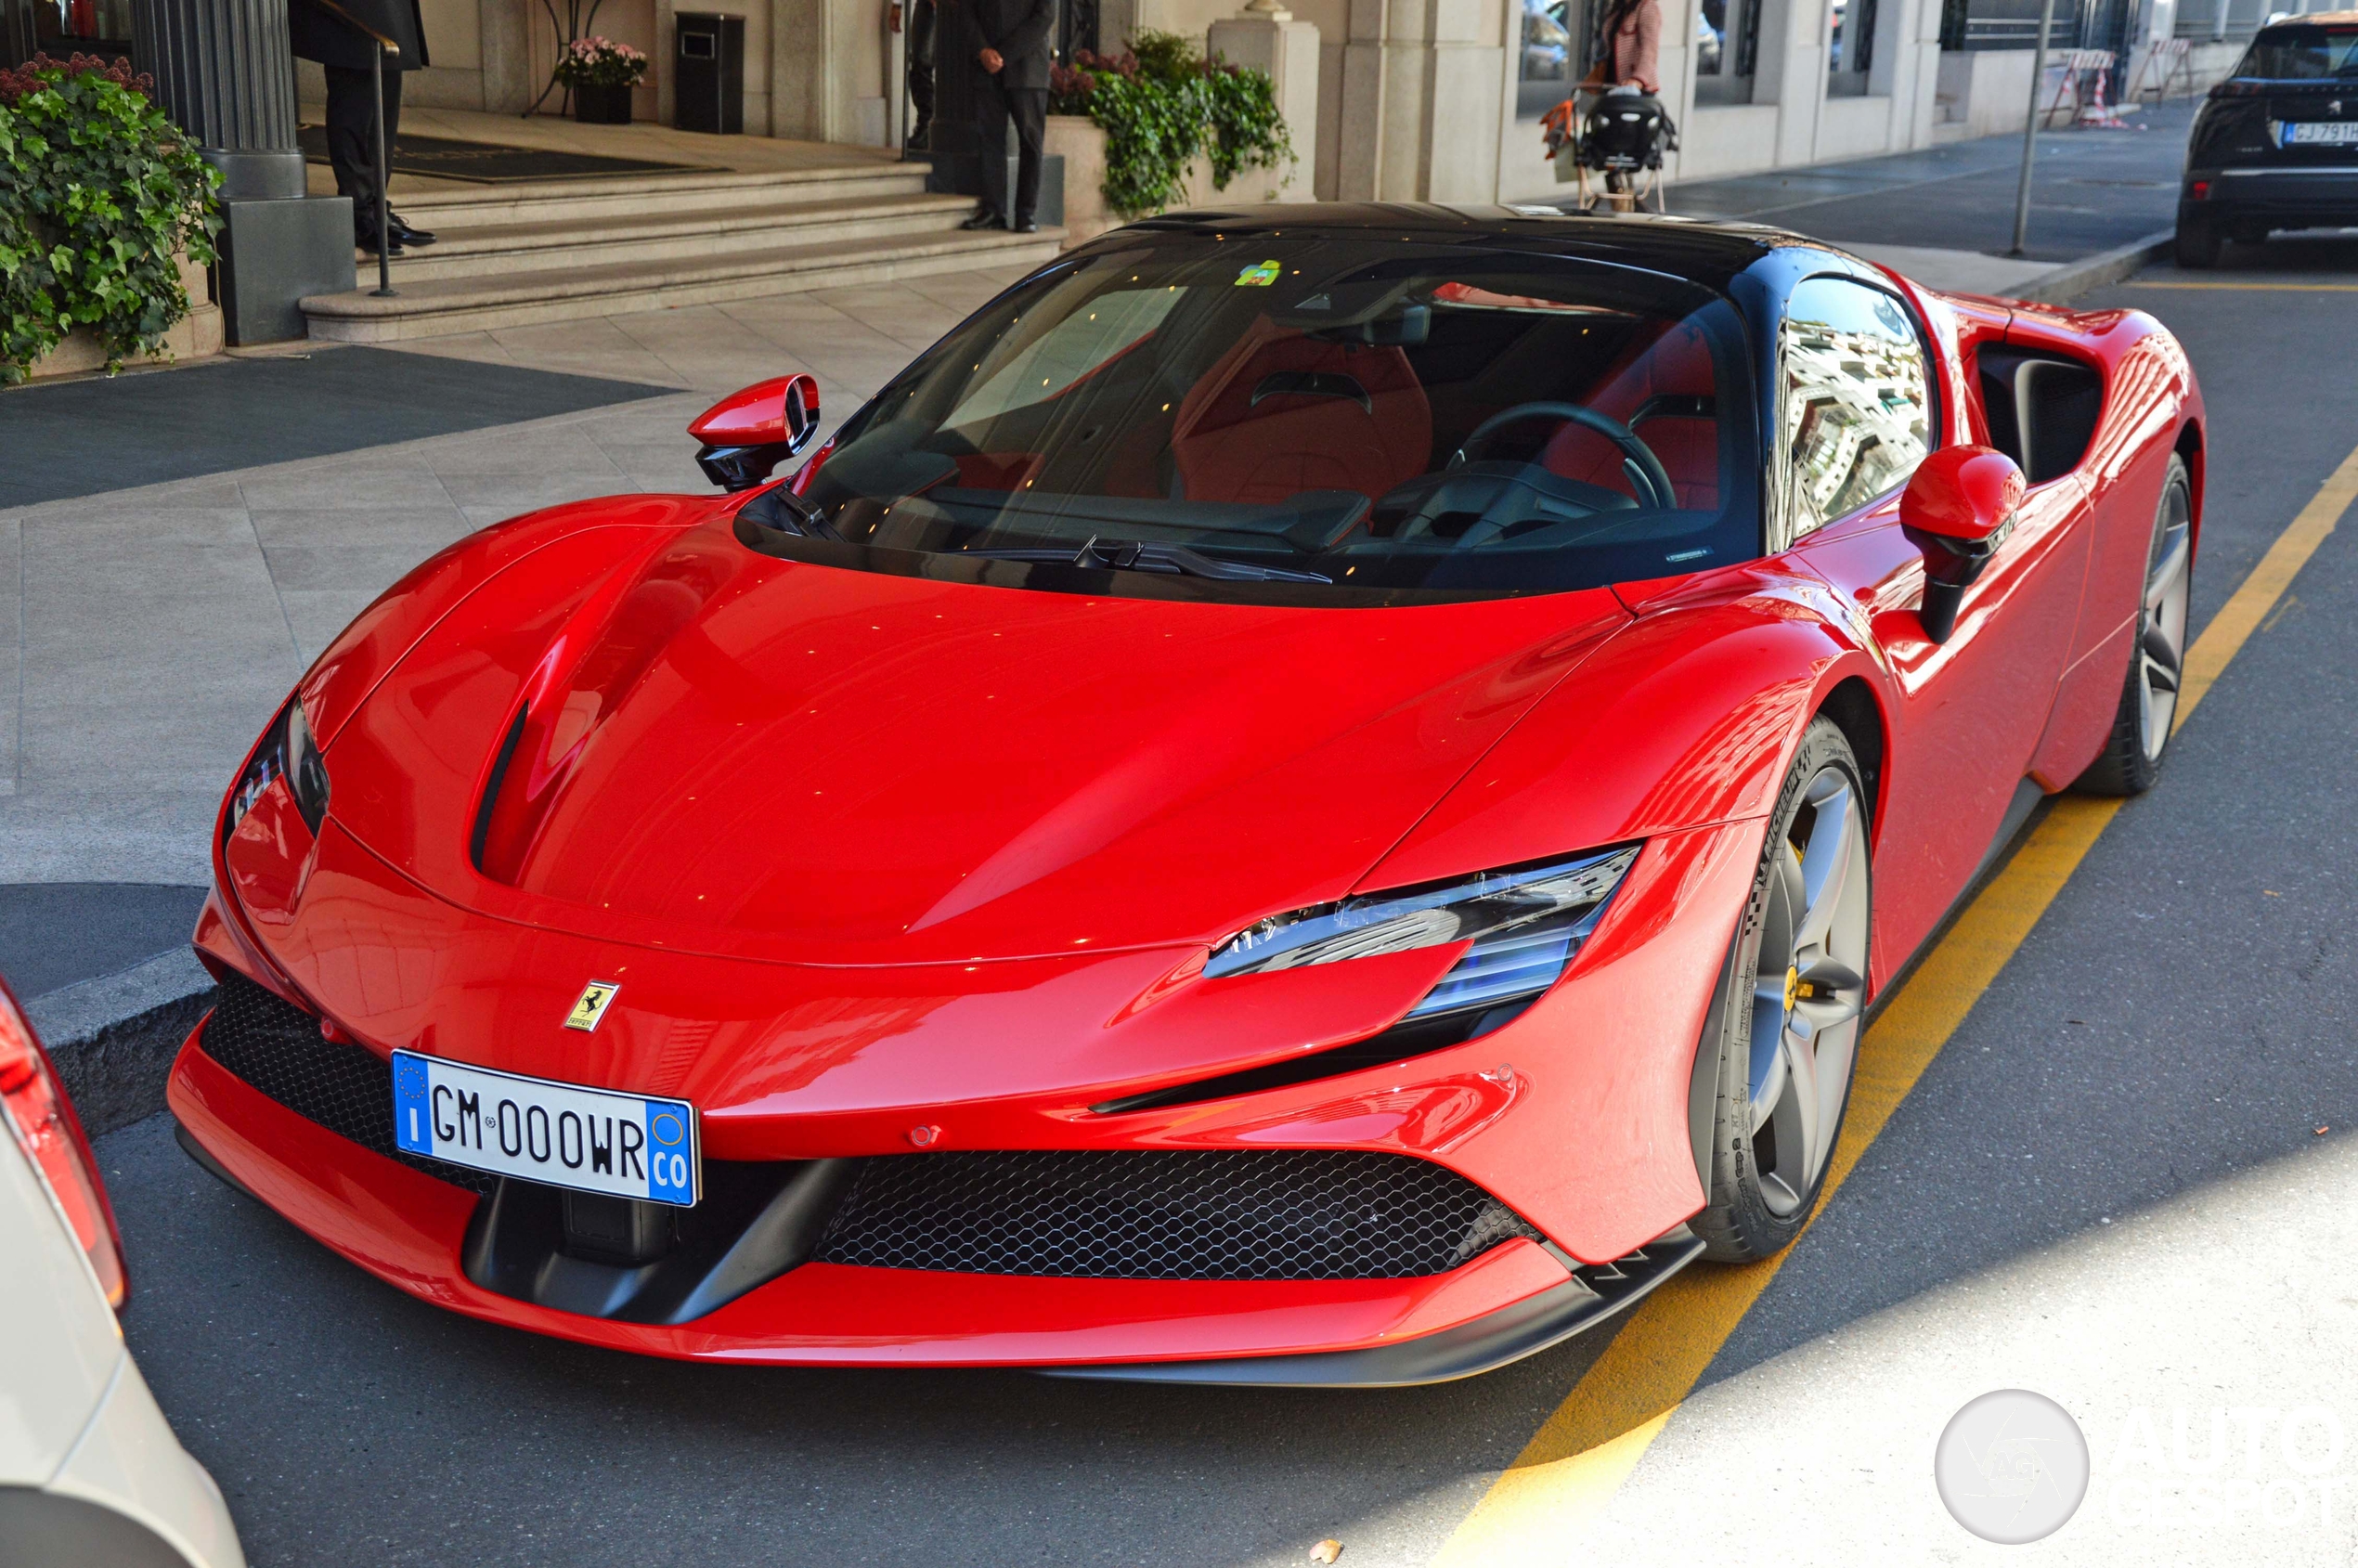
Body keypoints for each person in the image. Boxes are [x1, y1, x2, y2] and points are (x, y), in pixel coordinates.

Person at [288, 0, 437, 254]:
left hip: (387, 10)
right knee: (355, 109)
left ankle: (377, 210)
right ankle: (360, 216)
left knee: (383, 114)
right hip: (351, 10)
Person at [957, 0, 1054, 233]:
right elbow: (966, 10)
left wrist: (1002, 54)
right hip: (986, 68)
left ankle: (1026, 214)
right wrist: (982, 50)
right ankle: (993, 211)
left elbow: (1044, 17)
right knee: (990, 141)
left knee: (1030, 142)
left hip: (1027, 68)